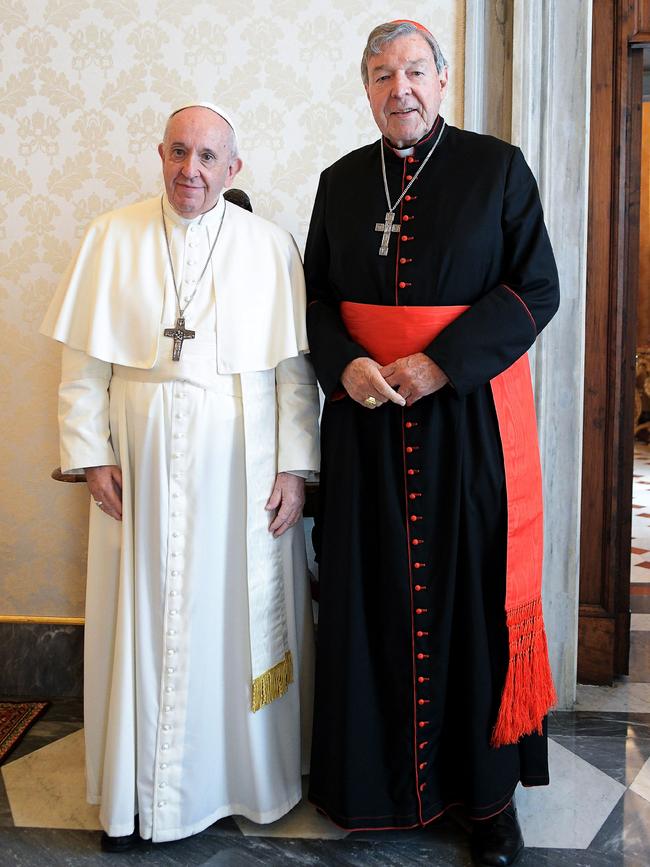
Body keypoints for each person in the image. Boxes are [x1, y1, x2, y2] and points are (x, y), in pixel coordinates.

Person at [305, 20, 559, 867]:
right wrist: (345, 369)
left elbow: (539, 288)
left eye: (414, 70)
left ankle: (488, 803)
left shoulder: (497, 169)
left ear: (442, 81)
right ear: (365, 89)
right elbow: (311, 305)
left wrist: (441, 364)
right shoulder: (340, 182)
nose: (398, 88)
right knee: (368, 597)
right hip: (366, 428)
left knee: (470, 601)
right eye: (380, 74)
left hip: (466, 429)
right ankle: (370, 786)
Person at [40, 102, 319, 850]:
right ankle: (139, 795)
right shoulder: (113, 236)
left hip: (244, 467)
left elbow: (295, 375)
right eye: (177, 153)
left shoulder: (269, 246)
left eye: (206, 157)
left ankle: (239, 783)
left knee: (233, 620)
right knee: (143, 616)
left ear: (234, 169)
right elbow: (81, 369)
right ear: (160, 155)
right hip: (140, 459)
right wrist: (91, 451)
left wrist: (296, 470)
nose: (189, 171)